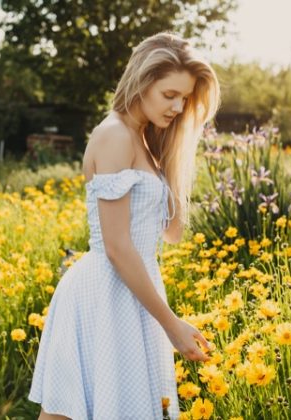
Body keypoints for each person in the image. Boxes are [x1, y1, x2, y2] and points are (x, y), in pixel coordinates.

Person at [28, 31, 221, 420]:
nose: (179, 107)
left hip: (133, 287)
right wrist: (171, 324)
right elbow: (117, 245)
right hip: (104, 289)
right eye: (170, 95)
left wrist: (177, 150)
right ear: (141, 83)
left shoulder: (144, 140)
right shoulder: (115, 135)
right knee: (68, 413)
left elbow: (172, 232)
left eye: (184, 98)